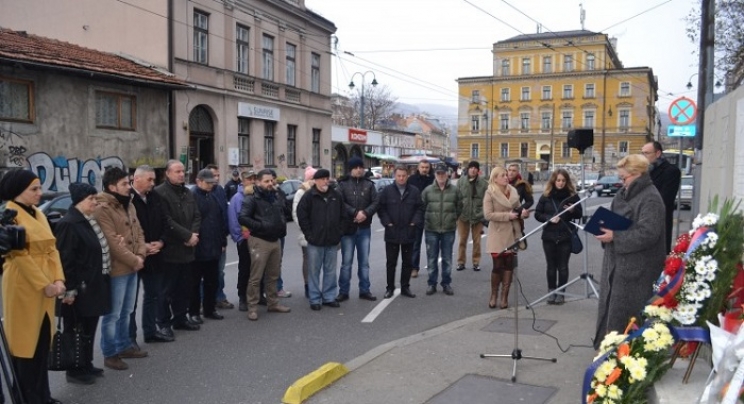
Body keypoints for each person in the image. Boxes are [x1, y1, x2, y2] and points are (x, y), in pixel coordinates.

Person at [0, 170, 66, 404]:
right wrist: (45, 284)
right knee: (25, 347)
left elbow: (52, 249)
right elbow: (20, 256)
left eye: (39, 188)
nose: (40, 193)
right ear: (17, 191)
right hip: (23, 286)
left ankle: (42, 396)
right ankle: (27, 398)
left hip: (46, 284)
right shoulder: (8, 214)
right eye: (34, 189)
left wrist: (59, 279)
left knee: (40, 345)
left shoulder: (37, 212)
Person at [593, 154, 666, 349]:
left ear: (638, 174)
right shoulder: (622, 195)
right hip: (617, 263)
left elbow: (649, 233)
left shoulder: (651, 197)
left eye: (624, 178)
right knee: (612, 309)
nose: (621, 182)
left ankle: (625, 355)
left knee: (628, 313)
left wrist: (614, 237)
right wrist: (602, 230)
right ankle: (609, 348)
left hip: (636, 268)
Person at [54, 183, 110, 385]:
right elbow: (66, 259)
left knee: (88, 327)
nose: (95, 202)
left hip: (92, 285)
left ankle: (86, 363)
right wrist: (69, 289)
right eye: (91, 199)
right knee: (76, 328)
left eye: (95, 198)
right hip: (78, 289)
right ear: (79, 201)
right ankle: (74, 369)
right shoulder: (69, 224)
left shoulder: (87, 220)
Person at [95, 167, 148, 371]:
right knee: (113, 314)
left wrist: (141, 255)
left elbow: (139, 232)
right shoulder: (103, 209)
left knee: (127, 311)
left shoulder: (129, 205)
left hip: (133, 265)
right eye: (125, 184)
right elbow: (111, 243)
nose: (129, 187)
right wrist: (135, 260)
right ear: (111, 187)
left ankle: (124, 345)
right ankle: (110, 353)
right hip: (117, 269)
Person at [154, 160, 202, 332]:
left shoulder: (187, 193)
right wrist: (187, 235)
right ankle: (164, 323)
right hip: (171, 250)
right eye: (177, 171)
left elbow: (197, 215)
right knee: (166, 290)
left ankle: (180, 318)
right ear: (167, 173)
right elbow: (166, 220)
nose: (182, 174)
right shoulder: (160, 193)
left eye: (183, 171)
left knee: (184, 288)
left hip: (188, 249)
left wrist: (193, 234)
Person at [239, 169, 291, 320]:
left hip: (275, 240)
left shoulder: (275, 196)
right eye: (266, 181)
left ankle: (273, 303)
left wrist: (279, 194)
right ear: (258, 182)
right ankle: (252, 307)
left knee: (273, 275)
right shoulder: (252, 198)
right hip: (259, 240)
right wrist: (261, 226)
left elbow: (285, 211)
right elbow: (243, 218)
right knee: (256, 276)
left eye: (271, 181)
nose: (270, 184)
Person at [129, 165, 172, 344]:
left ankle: (150, 331)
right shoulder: (128, 200)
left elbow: (165, 221)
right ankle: (129, 338)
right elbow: (126, 230)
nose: (153, 183)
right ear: (136, 179)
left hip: (155, 254)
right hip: (133, 257)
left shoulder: (155, 197)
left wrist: (161, 241)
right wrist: (142, 246)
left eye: (154, 180)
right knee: (130, 301)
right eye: (149, 180)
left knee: (153, 295)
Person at [296, 169, 345, 310]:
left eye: (327, 178)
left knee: (330, 270)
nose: (325, 181)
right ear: (316, 181)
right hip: (315, 241)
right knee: (314, 271)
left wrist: (339, 232)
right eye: (322, 179)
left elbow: (343, 216)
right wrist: (309, 235)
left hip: (332, 240)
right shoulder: (309, 196)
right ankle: (315, 299)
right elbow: (302, 217)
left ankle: (329, 297)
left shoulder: (336, 195)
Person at [534, 169, 582, 305]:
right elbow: (537, 214)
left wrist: (573, 210)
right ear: (553, 181)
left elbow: (579, 214)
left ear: (567, 182)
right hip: (549, 236)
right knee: (551, 266)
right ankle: (551, 292)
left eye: (563, 181)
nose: (560, 183)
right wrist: (549, 218)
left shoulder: (572, 196)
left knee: (563, 266)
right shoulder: (546, 196)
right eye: (558, 180)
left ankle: (561, 293)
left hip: (565, 235)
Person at [483, 167, 527, 309]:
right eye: (502, 175)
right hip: (497, 233)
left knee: (509, 264)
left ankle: (504, 297)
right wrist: (507, 216)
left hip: (513, 233)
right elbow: (488, 215)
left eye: (506, 175)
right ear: (495, 178)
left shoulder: (513, 191)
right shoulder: (490, 192)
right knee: (497, 266)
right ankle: (493, 294)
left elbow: (518, 209)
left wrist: (523, 213)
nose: (506, 177)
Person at [377, 166, 424, 299]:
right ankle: (389, 288)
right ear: (395, 176)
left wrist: (414, 222)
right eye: (399, 176)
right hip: (392, 231)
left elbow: (420, 208)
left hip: (409, 231)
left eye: (404, 176)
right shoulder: (387, 191)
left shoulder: (414, 191)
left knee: (407, 262)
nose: (401, 178)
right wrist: (387, 223)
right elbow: (381, 209)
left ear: (407, 176)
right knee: (391, 263)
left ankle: (405, 287)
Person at [336, 156, 379, 302]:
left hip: (364, 228)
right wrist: (355, 212)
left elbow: (376, 202)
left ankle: (365, 290)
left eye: (361, 167)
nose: (359, 170)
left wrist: (365, 213)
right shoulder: (342, 184)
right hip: (348, 228)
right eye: (356, 167)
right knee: (346, 262)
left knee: (364, 262)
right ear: (351, 169)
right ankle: (343, 291)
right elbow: (340, 202)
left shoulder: (369, 184)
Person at [189, 169, 228, 322]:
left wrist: (223, 241)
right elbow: (190, 222)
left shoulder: (213, 196)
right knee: (194, 283)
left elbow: (220, 219)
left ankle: (209, 309)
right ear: (199, 181)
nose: (211, 185)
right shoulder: (192, 197)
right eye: (208, 182)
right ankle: (193, 312)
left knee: (212, 281)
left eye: (212, 182)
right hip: (197, 248)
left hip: (214, 246)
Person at [421, 164, 461, 296]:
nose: (441, 176)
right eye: (438, 174)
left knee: (447, 258)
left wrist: (453, 218)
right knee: (432, 258)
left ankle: (446, 283)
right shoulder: (427, 190)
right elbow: (421, 207)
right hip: (431, 229)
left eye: (443, 173)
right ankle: (432, 284)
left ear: (447, 174)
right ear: (435, 175)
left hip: (448, 229)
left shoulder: (454, 190)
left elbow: (459, 206)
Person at [641, 141, 681, 253]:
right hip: (642, 223)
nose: (643, 156)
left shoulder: (671, 171)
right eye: (642, 153)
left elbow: (665, 199)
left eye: (646, 153)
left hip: (659, 221)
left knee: (658, 257)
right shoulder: (644, 171)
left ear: (658, 153)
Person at [228, 170, 257, 311]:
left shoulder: (257, 195)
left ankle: (257, 296)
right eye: (249, 179)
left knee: (258, 269)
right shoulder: (237, 198)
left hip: (258, 238)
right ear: (243, 181)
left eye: (254, 179)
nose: (252, 182)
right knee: (245, 269)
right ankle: (243, 297)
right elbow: (233, 220)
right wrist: (239, 238)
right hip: (245, 240)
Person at [206, 164, 233, 310]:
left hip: (220, 239)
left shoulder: (220, 190)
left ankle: (219, 297)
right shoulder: (201, 193)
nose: (216, 178)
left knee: (220, 271)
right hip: (206, 241)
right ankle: (205, 301)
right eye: (213, 176)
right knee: (207, 273)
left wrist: (225, 235)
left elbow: (224, 214)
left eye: (217, 175)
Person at [456, 160, 488, 272]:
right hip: (463, 215)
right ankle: (461, 262)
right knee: (462, 240)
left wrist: (484, 214)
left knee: (477, 241)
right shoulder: (461, 182)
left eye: (475, 168)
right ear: (468, 169)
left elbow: (487, 200)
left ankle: (476, 262)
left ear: (478, 170)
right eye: (471, 168)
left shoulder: (484, 184)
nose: (473, 170)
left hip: (478, 216)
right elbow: (457, 198)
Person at [292, 166, 318, 299]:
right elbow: (296, 213)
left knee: (317, 261)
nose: (315, 181)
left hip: (319, 233)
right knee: (308, 260)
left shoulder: (319, 191)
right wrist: (306, 230)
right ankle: (308, 286)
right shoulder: (301, 192)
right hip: (306, 233)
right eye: (313, 178)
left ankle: (316, 286)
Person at [407, 159, 434, 278]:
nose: (424, 169)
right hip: (416, 216)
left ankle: (432, 268)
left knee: (431, 244)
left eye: (426, 167)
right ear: (418, 168)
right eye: (422, 167)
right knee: (415, 244)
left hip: (431, 216)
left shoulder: (433, 180)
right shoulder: (411, 180)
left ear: (429, 168)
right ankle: (414, 268)